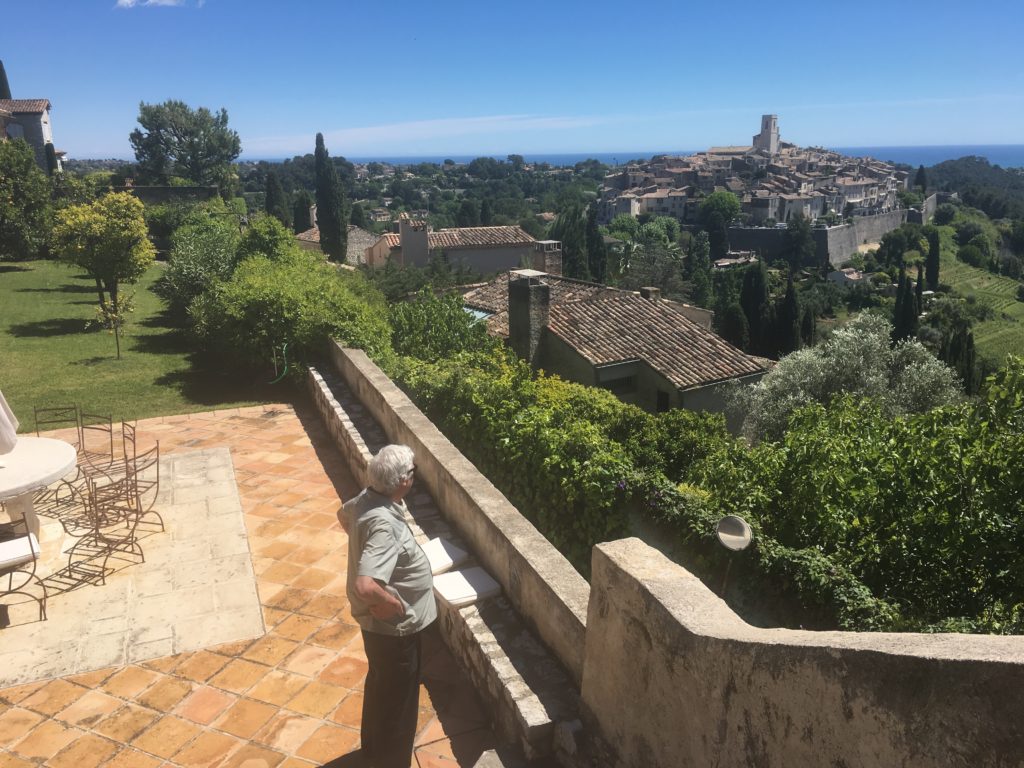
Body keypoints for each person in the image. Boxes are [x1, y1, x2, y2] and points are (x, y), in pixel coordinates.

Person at [339, 444, 437, 768]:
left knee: (381, 683)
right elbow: (365, 585)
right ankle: (393, 761)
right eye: (412, 472)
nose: (414, 477)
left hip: (377, 630)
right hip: (394, 629)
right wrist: (391, 604)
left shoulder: (368, 499)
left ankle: (373, 750)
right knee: (400, 700)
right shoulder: (383, 523)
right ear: (401, 482)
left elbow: (342, 514)